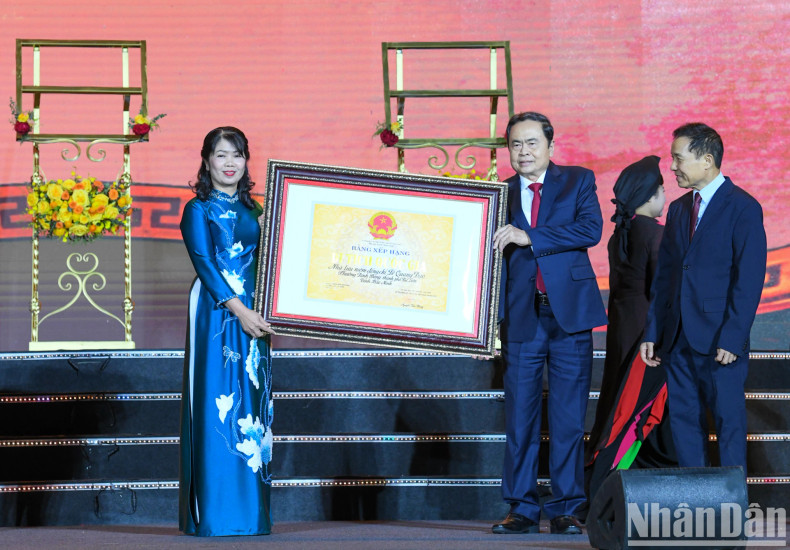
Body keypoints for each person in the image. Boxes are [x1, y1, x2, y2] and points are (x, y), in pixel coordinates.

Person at [492, 111, 607, 535]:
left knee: (568, 417)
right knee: (519, 417)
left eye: (532, 143)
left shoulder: (578, 180)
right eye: (516, 145)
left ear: (550, 146)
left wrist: (531, 237)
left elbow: (590, 229)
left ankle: (567, 507)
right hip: (521, 315)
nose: (523, 152)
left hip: (570, 315)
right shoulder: (497, 193)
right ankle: (521, 508)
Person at [640, 123, 766, 474]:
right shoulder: (680, 209)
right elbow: (665, 278)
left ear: (707, 160)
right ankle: (697, 505)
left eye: (678, 159)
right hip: (677, 338)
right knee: (683, 423)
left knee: (728, 424)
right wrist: (653, 331)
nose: (673, 167)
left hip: (719, 340)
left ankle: (730, 509)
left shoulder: (743, 208)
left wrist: (733, 336)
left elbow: (749, 279)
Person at [179, 127, 275, 536]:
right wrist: (239, 311)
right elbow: (205, 262)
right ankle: (217, 515)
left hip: (257, 314)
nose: (230, 163)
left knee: (254, 406)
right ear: (206, 161)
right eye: (221, 155)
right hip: (218, 313)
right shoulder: (197, 209)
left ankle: (252, 515)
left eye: (237, 155)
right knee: (218, 403)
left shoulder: (258, 211)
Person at [586, 156, 675, 502]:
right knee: (634, 415)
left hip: (623, 334)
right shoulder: (655, 232)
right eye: (663, 190)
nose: (665, 196)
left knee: (616, 408)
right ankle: (602, 495)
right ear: (651, 195)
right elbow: (662, 290)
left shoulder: (620, 233)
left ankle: (602, 492)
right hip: (646, 338)